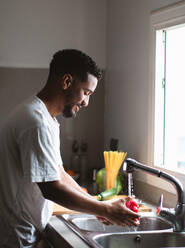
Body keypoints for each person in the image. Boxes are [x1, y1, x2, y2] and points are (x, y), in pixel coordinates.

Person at [0, 49, 140, 247]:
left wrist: (98, 205)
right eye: (86, 92)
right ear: (66, 81)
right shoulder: (36, 122)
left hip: (23, 232)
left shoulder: (45, 119)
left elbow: (60, 175)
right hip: (15, 238)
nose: (86, 102)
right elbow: (53, 189)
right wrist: (105, 210)